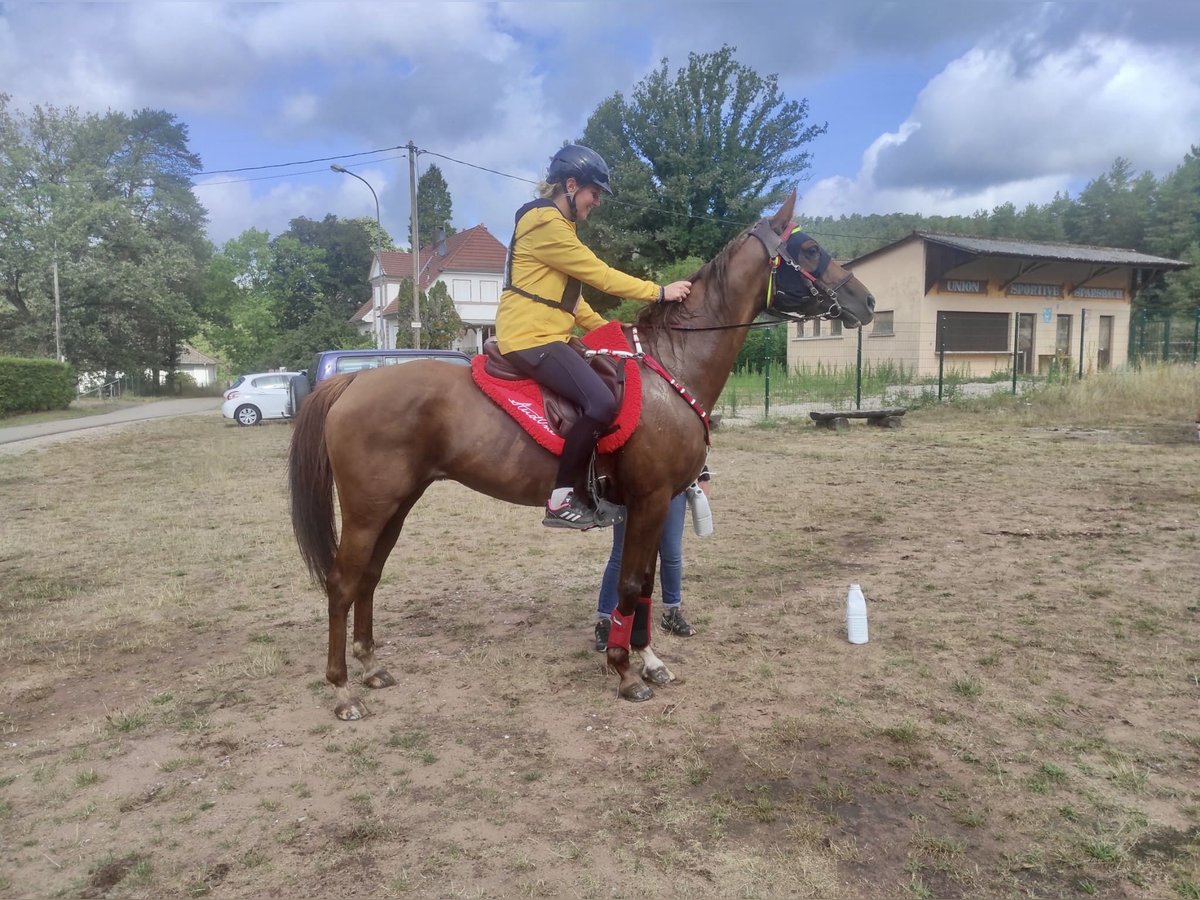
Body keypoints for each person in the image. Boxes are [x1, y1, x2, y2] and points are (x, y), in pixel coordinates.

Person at [496, 144, 692, 529]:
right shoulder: (545, 223)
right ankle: (560, 497)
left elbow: (574, 301)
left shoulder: (558, 227)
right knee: (600, 404)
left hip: (550, 332)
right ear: (571, 185)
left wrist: (611, 331)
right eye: (593, 193)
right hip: (530, 336)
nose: (596, 201)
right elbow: (598, 273)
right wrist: (659, 292)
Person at [594, 469, 711, 650]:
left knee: (671, 552)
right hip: (630, 485)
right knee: (621, 553)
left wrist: (703, 474)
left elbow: (691, 441)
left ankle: (672, 611)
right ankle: (605, 620)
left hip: (673, 485)